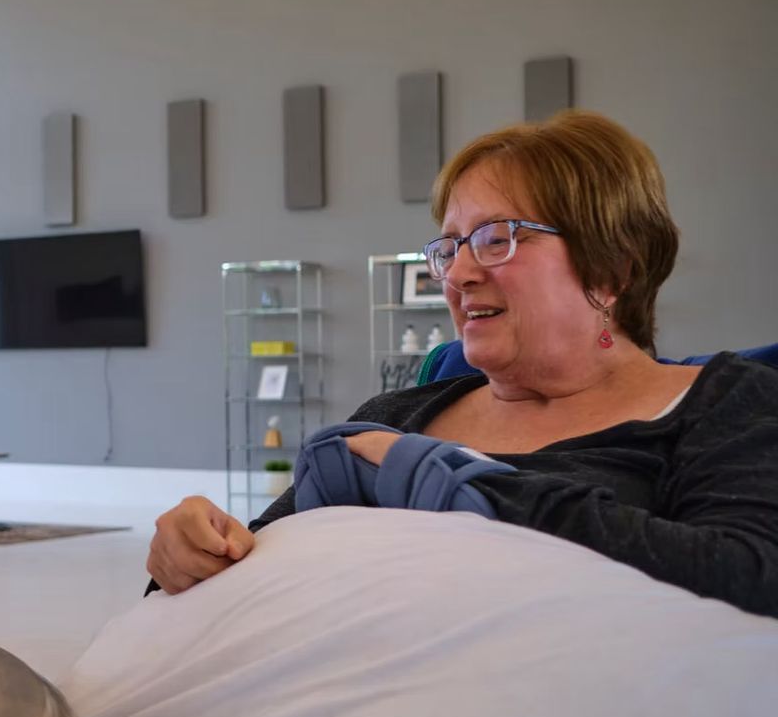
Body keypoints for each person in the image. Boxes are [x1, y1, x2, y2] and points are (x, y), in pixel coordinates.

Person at [149, 109, 778, 618]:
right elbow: (246, 563)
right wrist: (192, 550)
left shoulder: (726, 404)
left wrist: (465, 487)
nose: (460, 274)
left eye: (497, 237)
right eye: (449, 247)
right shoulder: (394, 418)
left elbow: (751, 579)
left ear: (610, 269)